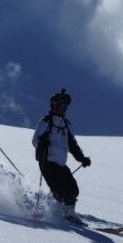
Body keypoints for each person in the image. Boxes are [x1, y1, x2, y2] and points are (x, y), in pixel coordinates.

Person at [32, 88, 91, 224]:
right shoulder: (45, 122)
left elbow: (72, 145)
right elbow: (35, 140)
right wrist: (43, 143)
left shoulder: (66, 125)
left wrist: (82, 158)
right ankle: (66, 215)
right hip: (48, 163)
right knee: (63, 192)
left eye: (66, 106)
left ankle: (62, 212)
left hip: (61, 164)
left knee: (73, 189)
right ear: (54, 106)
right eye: (62, 105)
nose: (65, 109)